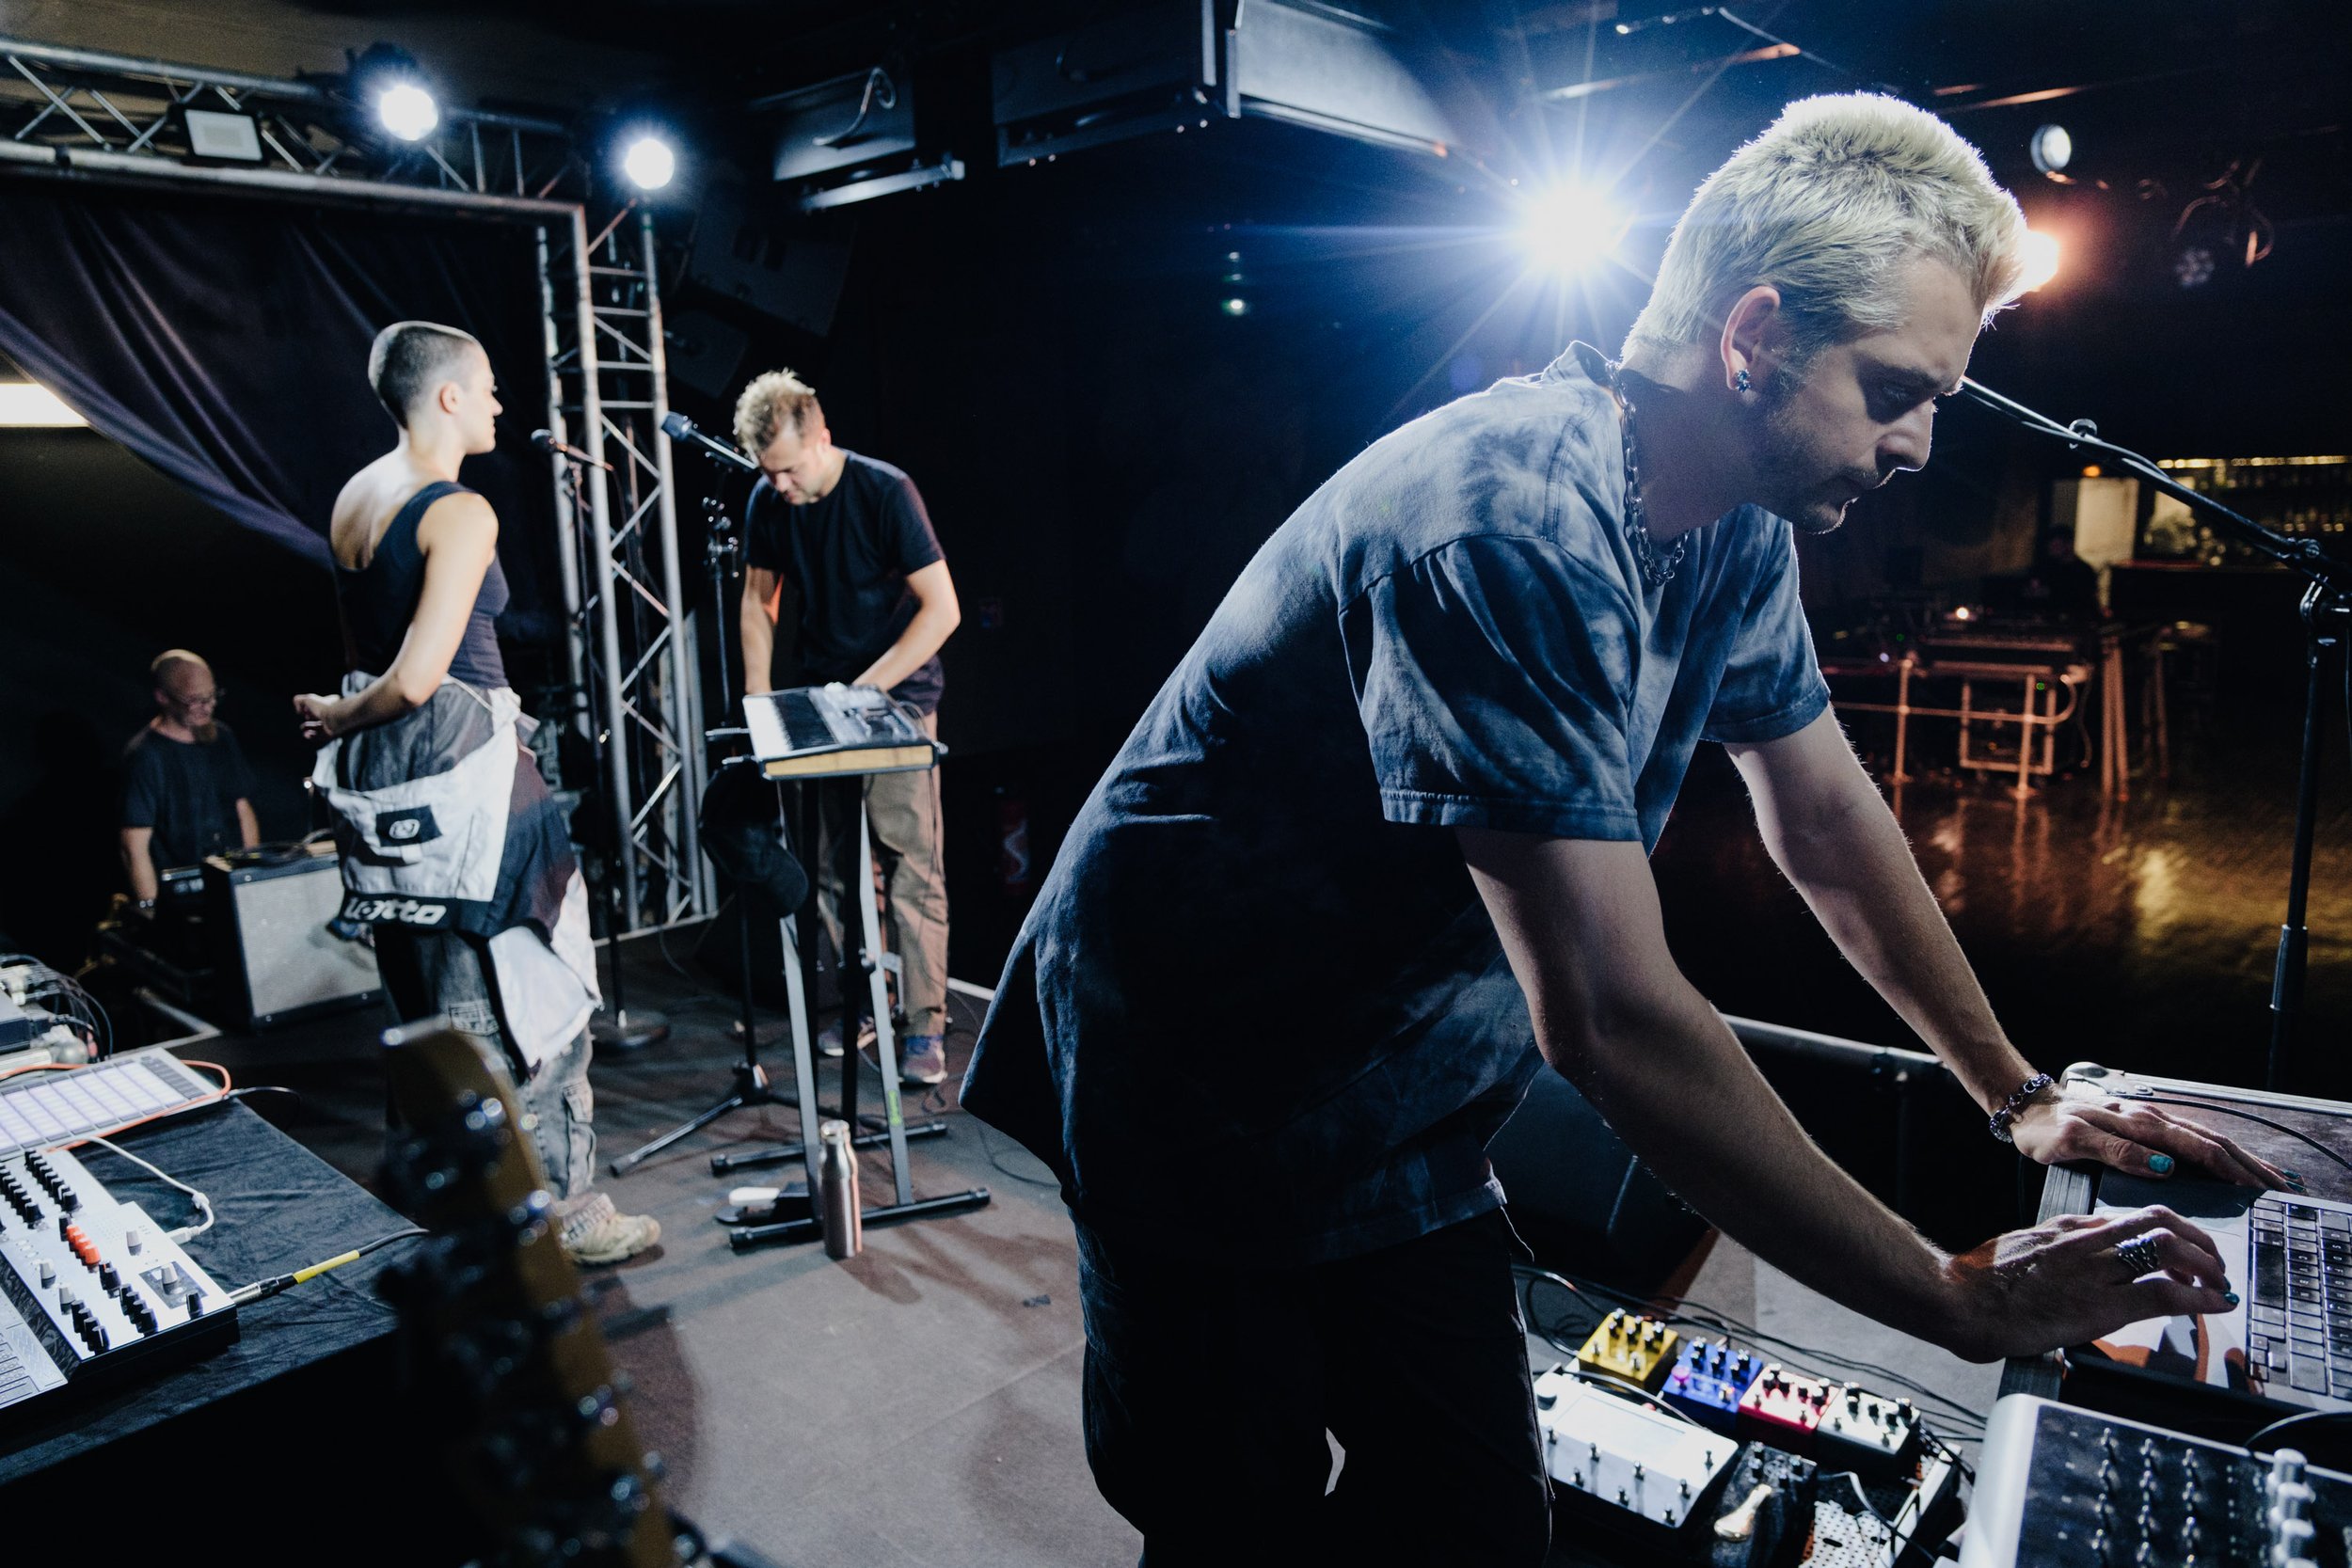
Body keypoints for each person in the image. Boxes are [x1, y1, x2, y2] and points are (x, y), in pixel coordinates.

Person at [963, 95, 2285, 1564]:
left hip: (1393, 1097)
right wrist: (1950, 1295)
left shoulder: (1731, 527)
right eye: (1896, 387)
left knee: (1472, 1517)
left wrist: (2014, 1090)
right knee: (1232, 1513)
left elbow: (1827, 815)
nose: (1918, 443)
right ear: (1756, 334)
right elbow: (1607, 1009)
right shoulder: (1513, 519)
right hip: (1198, 1087)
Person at [294, 320, 658, 1268]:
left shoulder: (354, 495)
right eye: (489, 386)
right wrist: (341, 717)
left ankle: (449, 1209)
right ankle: (557, 1218)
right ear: (448, 395)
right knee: (522, 1003)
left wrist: (344, 717)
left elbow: (371, 663)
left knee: (422, 1008)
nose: (501, 403)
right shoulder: (458, 510)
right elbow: (417, 676)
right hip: (470, 789)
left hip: (389, 790)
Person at [734, 370, 960, 1086]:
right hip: (820, 705)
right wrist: (759, 703)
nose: (781, 486)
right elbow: (756, 601)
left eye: (791, 469)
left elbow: (942, 608)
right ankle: (859, 1002)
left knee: (911, 865)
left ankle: (924, 1023)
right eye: (769, 473)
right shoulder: (769, 499)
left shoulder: (885, 491)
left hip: (897, 701)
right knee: (828, 868)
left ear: (822, 438)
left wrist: (872, 685)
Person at [120, 649, 259, 910]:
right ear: (163, 697)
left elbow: (242, 810)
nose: (207, 707)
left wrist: (252, 876)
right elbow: (134, 845)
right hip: (181, 895)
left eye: (212, 696)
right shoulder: (146, 756)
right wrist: (149, 909)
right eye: (195, 700)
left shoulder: (222, 738)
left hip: (229, 881)